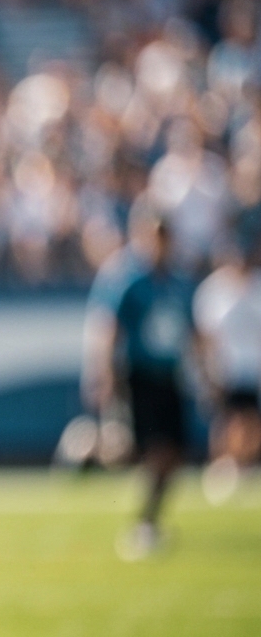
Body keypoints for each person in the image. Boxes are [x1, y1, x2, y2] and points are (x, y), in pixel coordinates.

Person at [83, 200, 208, 559]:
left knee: (173, 453)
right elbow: (107, 327)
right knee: (143, 450)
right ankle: (89, 448)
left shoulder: (179, 280)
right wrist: (103, 372)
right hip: (137, 374)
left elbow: (192, 330)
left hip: (170, 373)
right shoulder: (126, 276)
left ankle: (147, 521)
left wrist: (206, 371)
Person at [192, 240, 261, 503]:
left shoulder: (257, 287)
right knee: (226, 420)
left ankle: (246, 466)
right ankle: (223, 465)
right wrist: (208, 368)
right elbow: (205, 335)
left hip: (252, 367)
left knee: (251, 419)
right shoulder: (214, 291)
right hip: (226, 366)